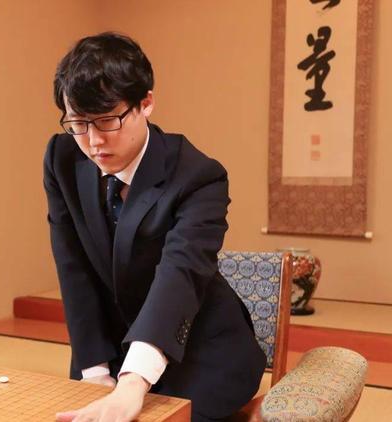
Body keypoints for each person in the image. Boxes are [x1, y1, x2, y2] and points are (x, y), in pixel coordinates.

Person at [44, 32, 266, 422]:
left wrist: (133, 383)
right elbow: (73, 266)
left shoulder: (199, 176)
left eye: (107, 120)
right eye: (78, 123)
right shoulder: (62, 157)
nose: (93, 142)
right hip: (110, 348)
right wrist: (94, 372)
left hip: (202, 349)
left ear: (146, 103)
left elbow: (180, 273)